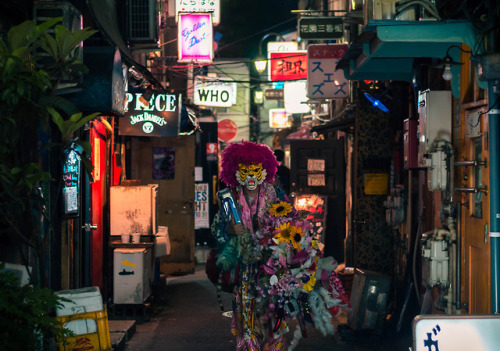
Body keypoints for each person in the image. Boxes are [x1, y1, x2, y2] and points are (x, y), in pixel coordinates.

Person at [211, 141, 350, 351]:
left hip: (274, 264)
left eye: (255, 170)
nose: (250, 177)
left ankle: (274, 345)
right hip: (246, 267)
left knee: (275, 310)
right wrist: (230, 230)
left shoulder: (273, 193)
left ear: (264, 170)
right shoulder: (230, 198)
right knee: (247, 313)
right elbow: (216, 230)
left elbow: (292, 218)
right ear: (236, 171)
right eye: (245, 171)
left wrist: (291, 237)